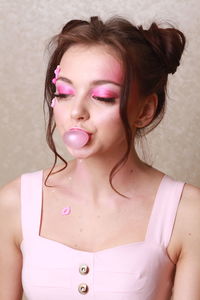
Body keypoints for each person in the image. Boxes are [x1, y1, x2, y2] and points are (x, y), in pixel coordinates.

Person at [0, 16, 200, 300]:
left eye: (103, 96)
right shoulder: (14, 203)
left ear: (144, 111)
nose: (76, 111)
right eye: (64, 93)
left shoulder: (188, 212)